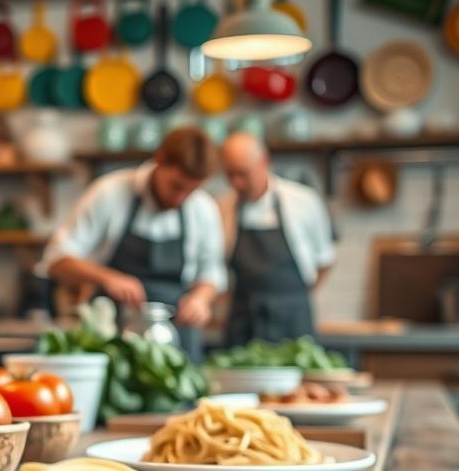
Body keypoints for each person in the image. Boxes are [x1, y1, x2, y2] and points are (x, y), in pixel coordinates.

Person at [41, 127, 226, 359]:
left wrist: (201, 299)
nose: (180, 199)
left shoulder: (203, 208)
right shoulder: (109, 192)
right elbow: (55, 259)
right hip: (114, 338)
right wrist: (108, 277)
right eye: (176, 187)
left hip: (177, 339)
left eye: (190, 191)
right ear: (159, 160)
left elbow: (212, 272)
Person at [217, 132, 335, 347]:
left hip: (294, 319)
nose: (237, 183)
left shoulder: (303, 201)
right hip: (243, 321)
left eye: (243, 174)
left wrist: (293, 299)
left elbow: (325, 260)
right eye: (230, 175)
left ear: (264, 161)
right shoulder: (223, 207)